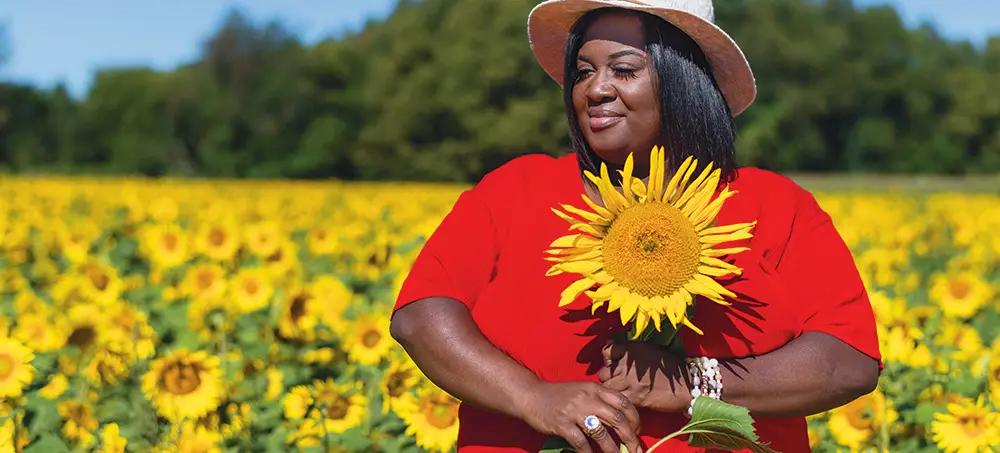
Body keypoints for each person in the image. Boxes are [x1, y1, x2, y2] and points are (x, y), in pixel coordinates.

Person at [389, 1, 882, 452]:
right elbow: (421, 314)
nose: (595, 88)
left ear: (684, 79)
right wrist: (532, 397)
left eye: (623, 70)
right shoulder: (516, 189)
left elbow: (849, 358)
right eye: (582, 72)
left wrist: (695, 382)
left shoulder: (773, 206)